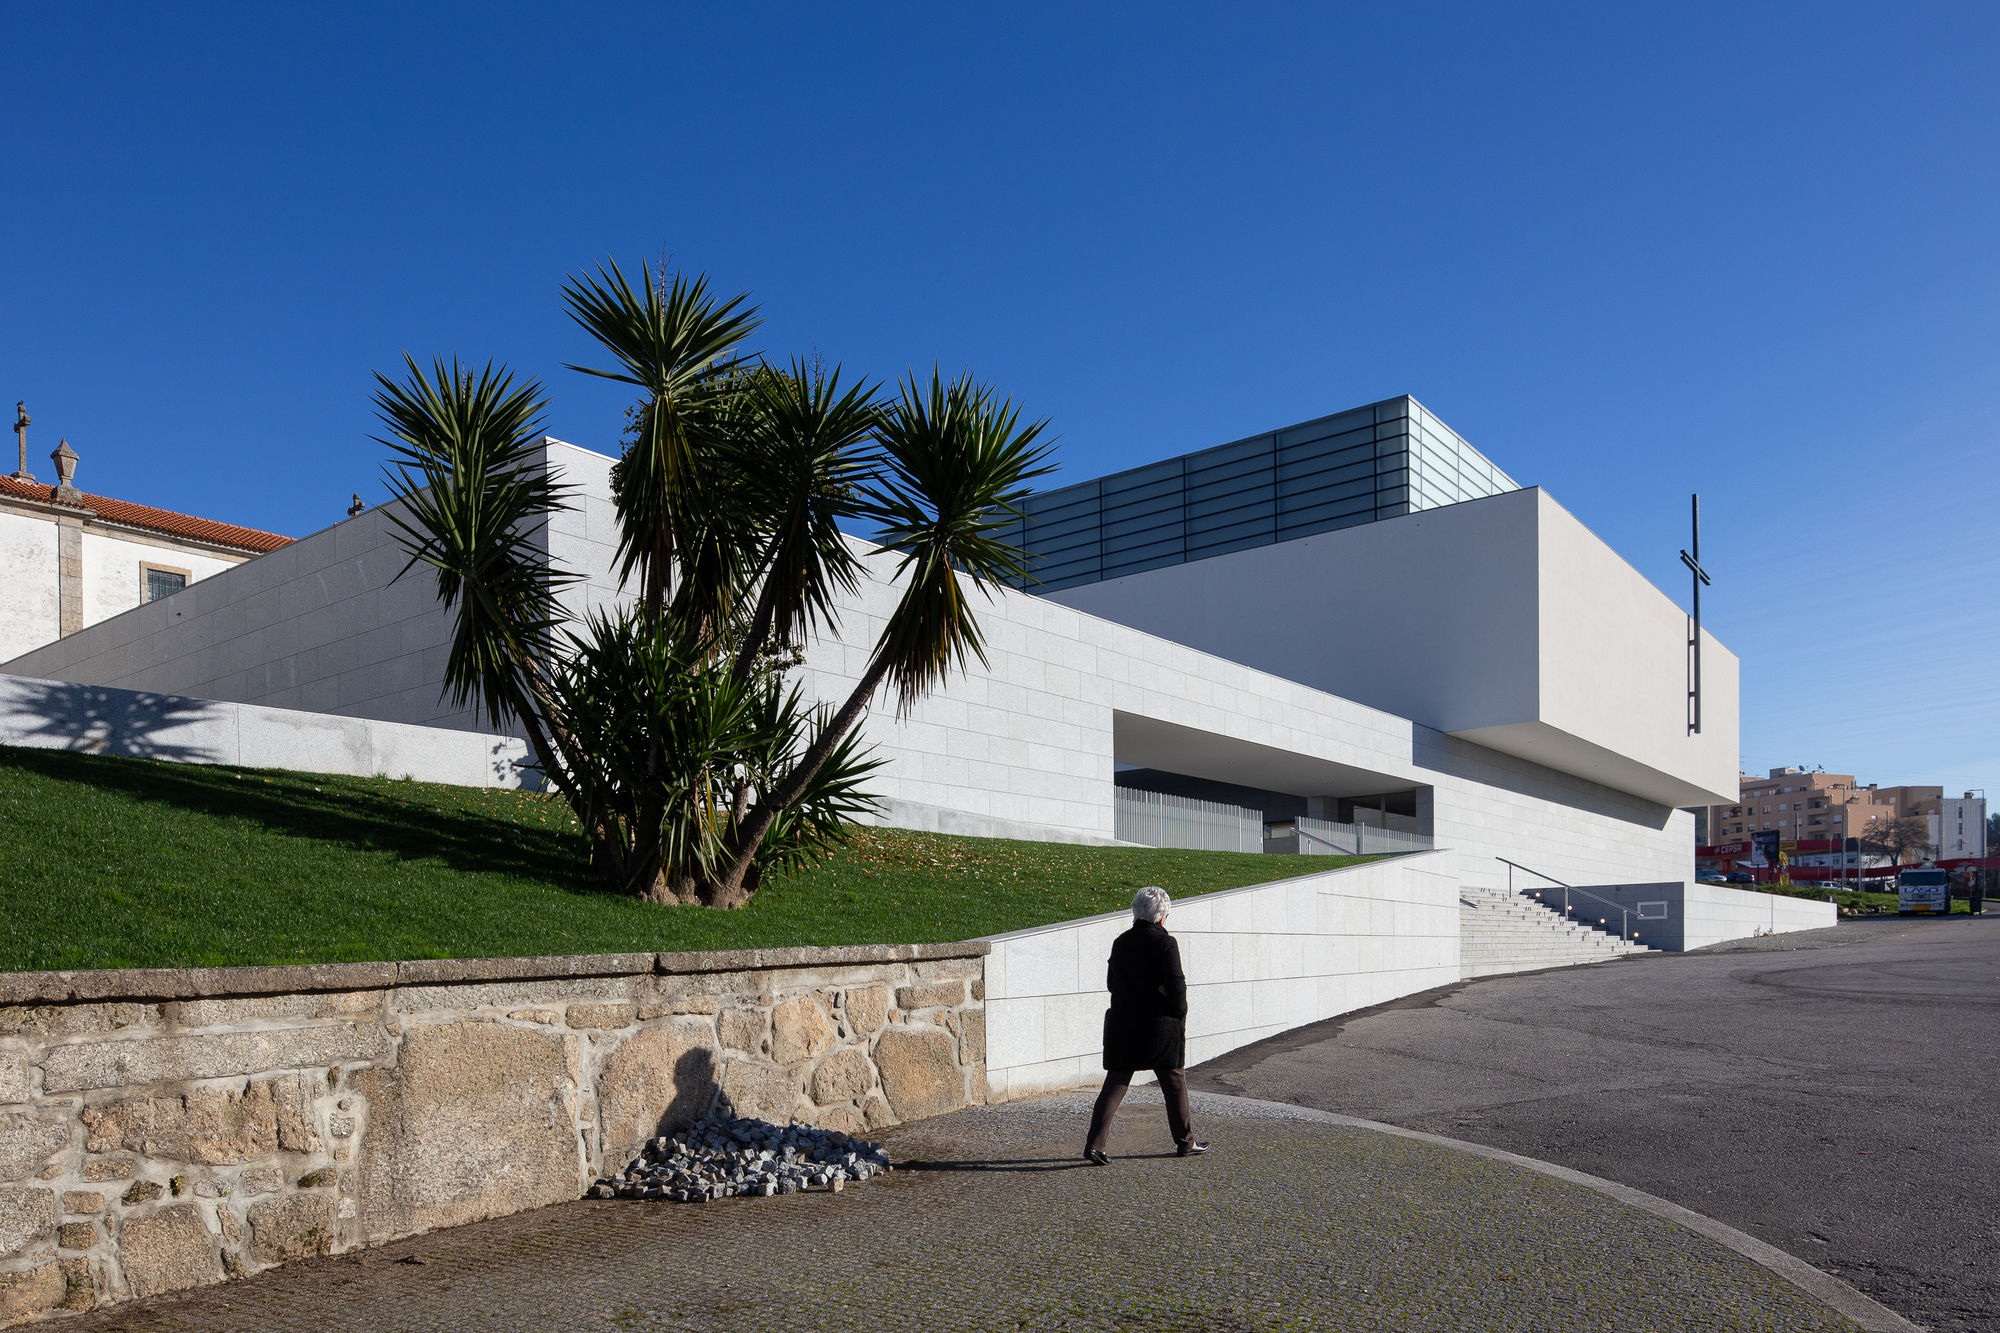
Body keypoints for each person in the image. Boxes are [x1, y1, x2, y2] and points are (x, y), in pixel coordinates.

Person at [1083, 886, 1208, 1164]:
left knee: (1116, 1081)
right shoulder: (1165, 943)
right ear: (1162, 916)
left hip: (1125, 1023)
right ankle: (1186, 1142)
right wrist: (1178, 1011)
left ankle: (1095, 1144)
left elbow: (1111, 984)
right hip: (1159, 1027)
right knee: (1174, 1081)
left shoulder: (1120, 942)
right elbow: (1177, 987)